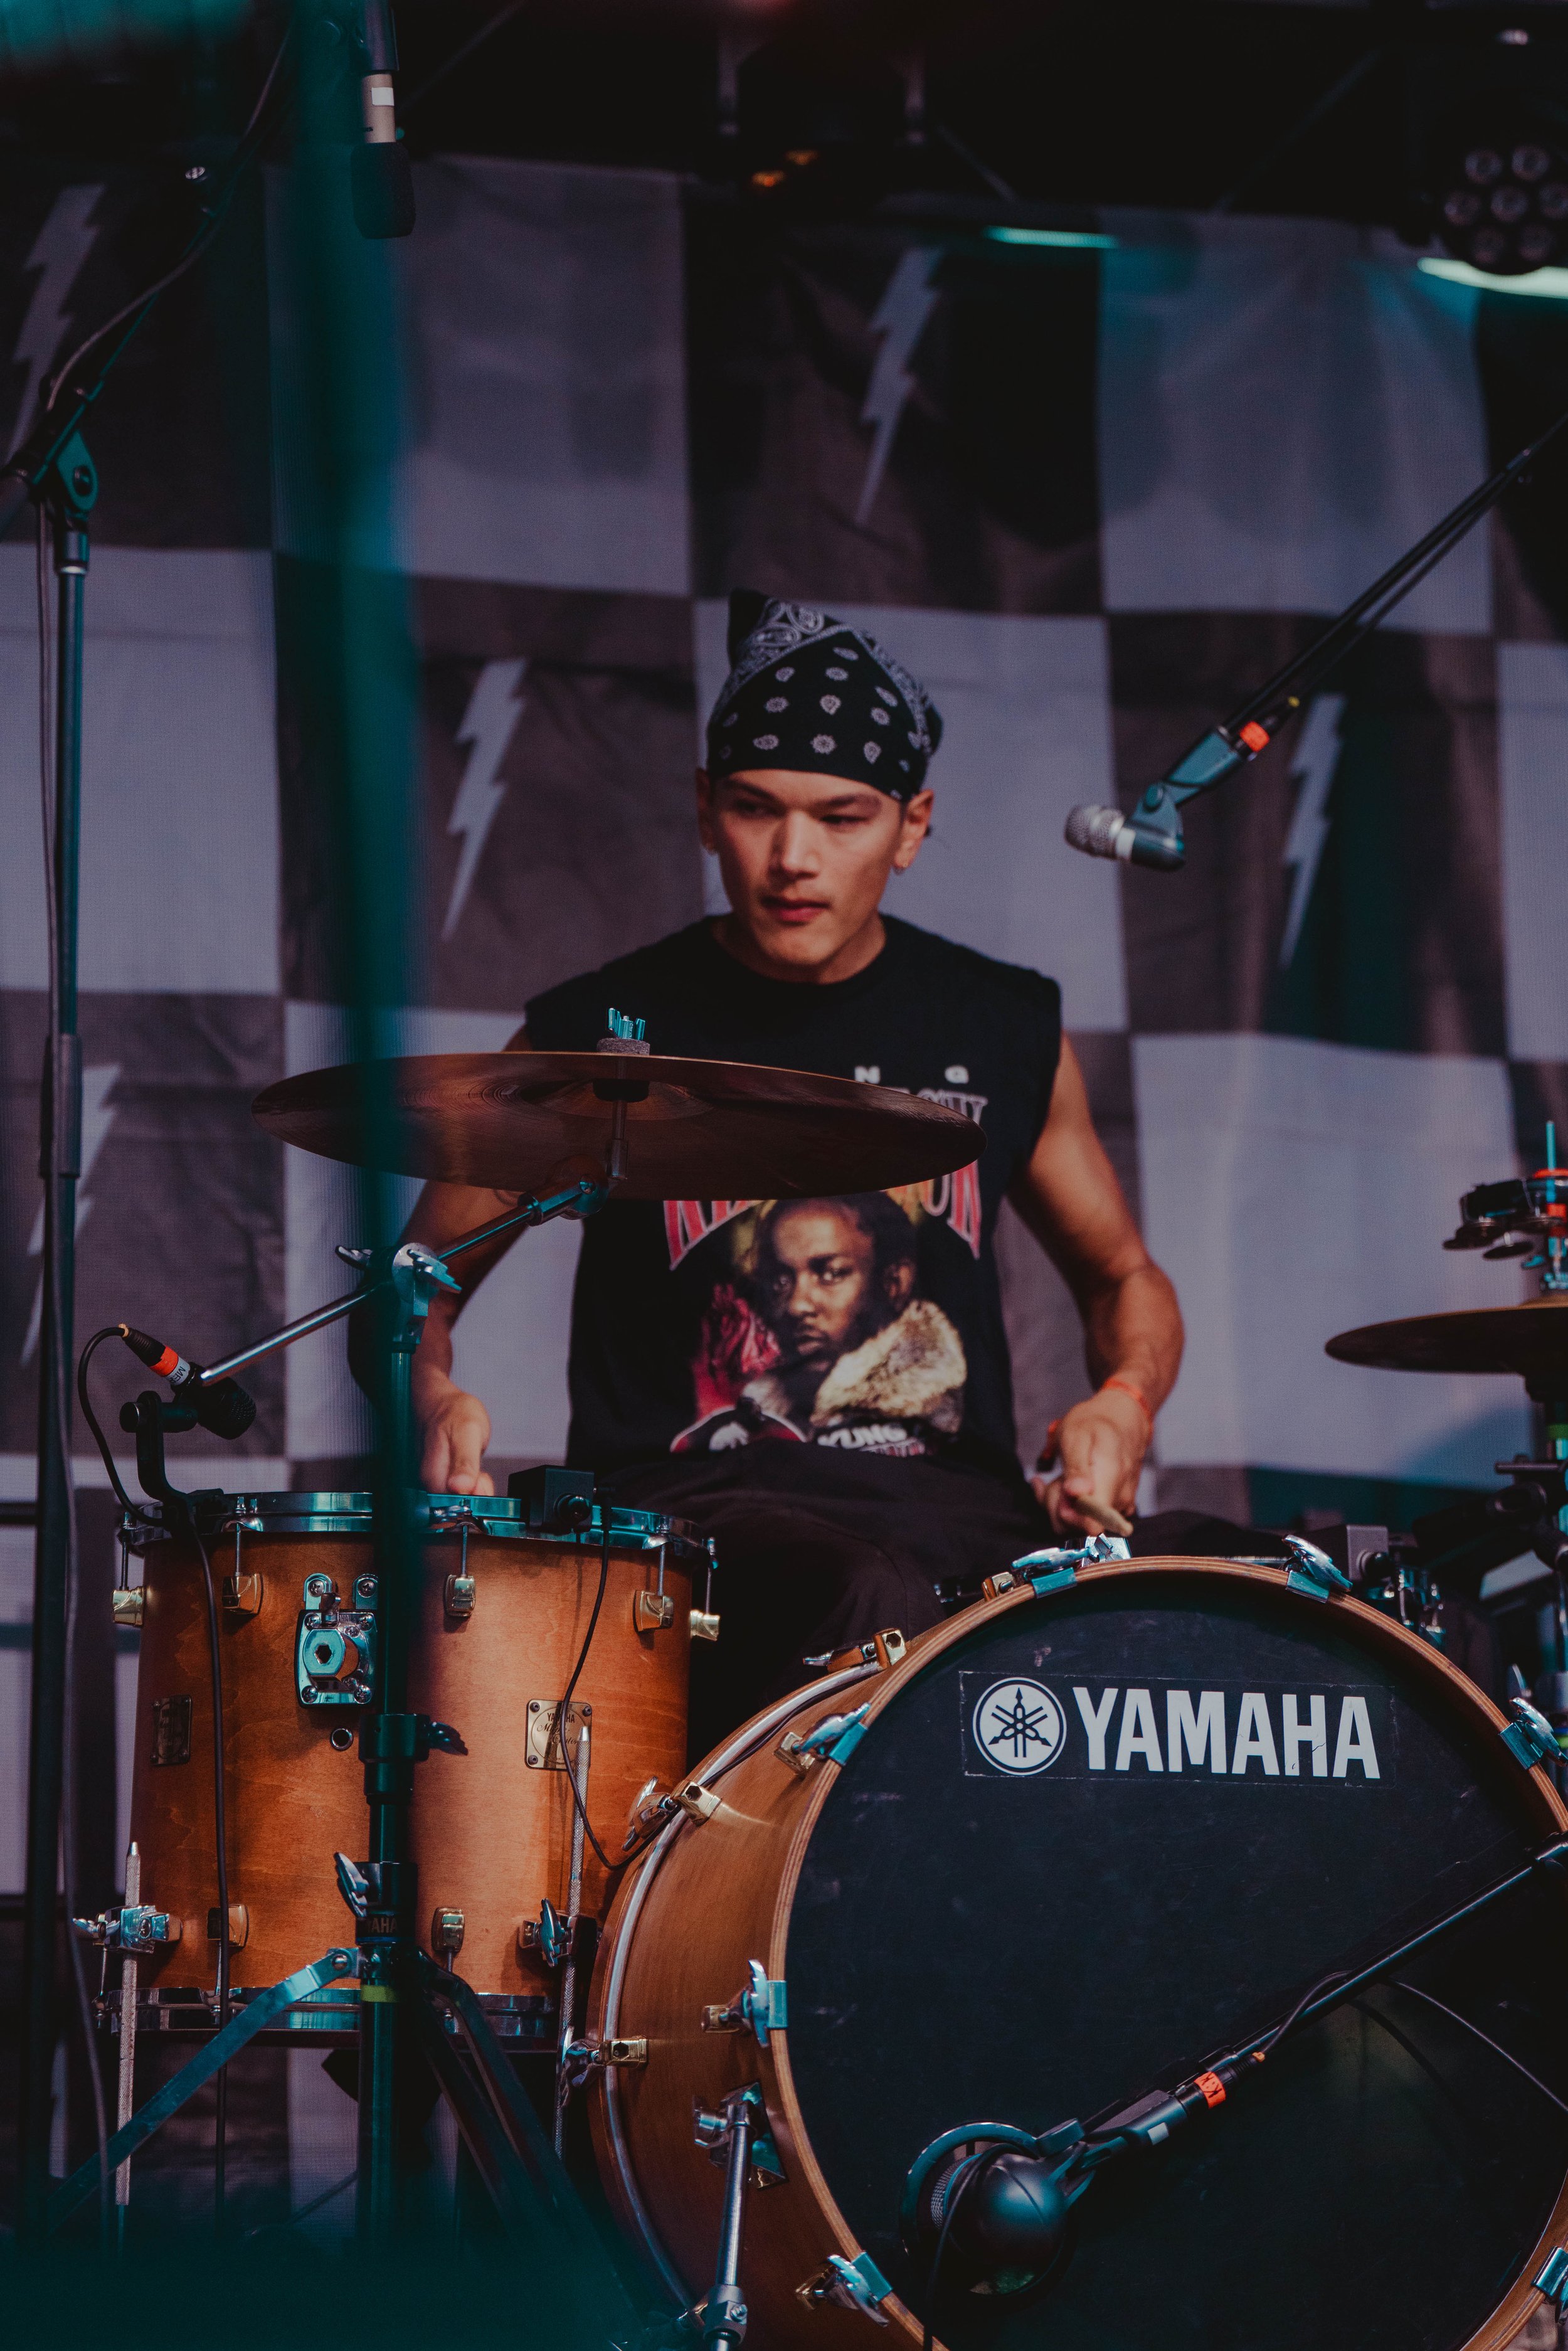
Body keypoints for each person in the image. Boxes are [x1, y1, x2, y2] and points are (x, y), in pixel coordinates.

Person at [391, 591, 1185, 1744]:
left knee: (1231, 1593)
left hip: (957, 1517)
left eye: (842, 817)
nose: (792, 859)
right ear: (704, 811)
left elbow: (1124, 1279)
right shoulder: (602, 1033)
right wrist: (426, 1391)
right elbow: (413, 1285)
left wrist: (1125, 1400)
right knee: (865, 1592)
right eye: (756, 810)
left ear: (911, 826)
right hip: (691, 1522)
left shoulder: (1000, 1025)